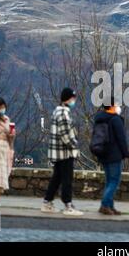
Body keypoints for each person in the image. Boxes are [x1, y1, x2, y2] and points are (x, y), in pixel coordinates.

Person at [41, 88, 84, 216]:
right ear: (68, 98)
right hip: (64, 152)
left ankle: (47, 202)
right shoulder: (63, 113)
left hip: (58, 152)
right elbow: (65, 135)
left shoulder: (58, 111)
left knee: (57, 178)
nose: (74, 100)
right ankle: (68, 205)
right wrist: (75, 146)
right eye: (73, 98)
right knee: (67, 179)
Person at [93, 97, 129, 215]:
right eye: (117, 104)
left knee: (109, 181)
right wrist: (126, 153)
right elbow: (121, 138)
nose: (118, 106)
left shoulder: (100, 119)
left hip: (103, 154)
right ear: (112, 106)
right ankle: (104, 205)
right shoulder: (115, 120)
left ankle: (110, 206)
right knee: (114, 181)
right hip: (114, 155)